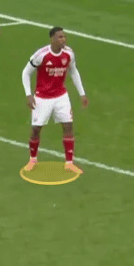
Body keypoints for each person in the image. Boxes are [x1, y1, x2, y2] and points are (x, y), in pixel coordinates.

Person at [22, 27, 89, 174]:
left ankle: (69, 163)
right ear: (52, 39)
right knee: (36, 129)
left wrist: (82, 93)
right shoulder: (41, 55)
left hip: (61, 96)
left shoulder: (69, 54)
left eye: (64, 37)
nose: (63, 40)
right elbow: (26, 72)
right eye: (60, 37)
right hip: (42, 97)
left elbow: (73, 71)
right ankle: (33, 159)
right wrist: (28, 95)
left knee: (68, 126)